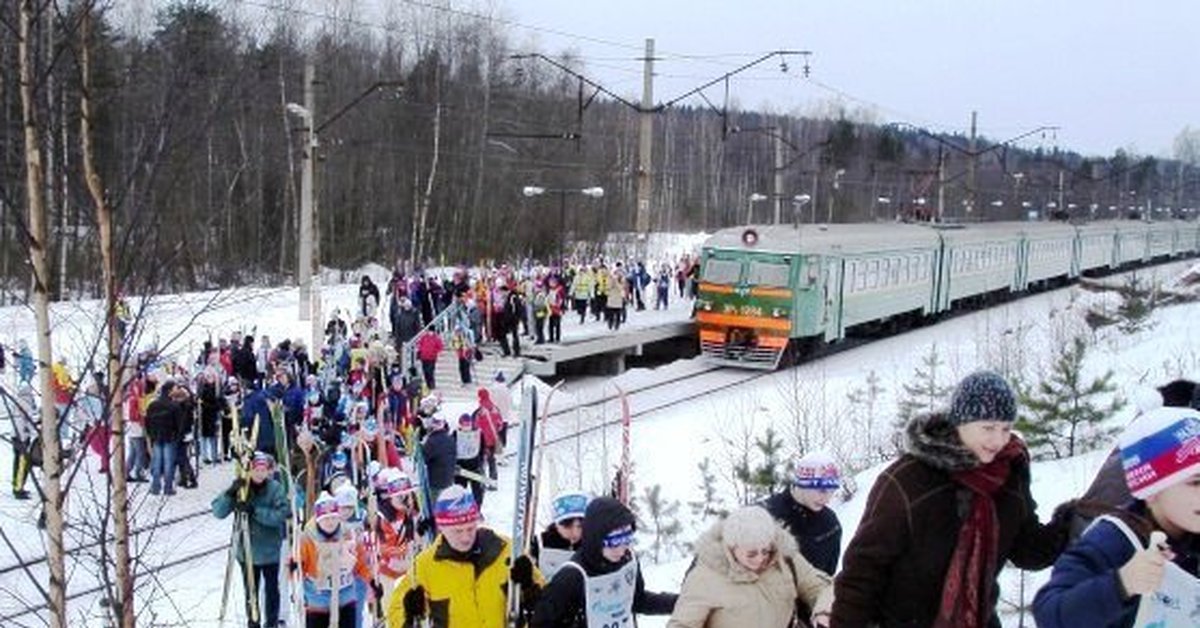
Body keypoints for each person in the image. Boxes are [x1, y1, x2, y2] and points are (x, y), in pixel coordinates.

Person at [832, 370, 1075, 628]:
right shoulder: (908, 480)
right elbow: (862, 573)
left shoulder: (1008, 475)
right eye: (988, 428)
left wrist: (1071, 523)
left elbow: (1028, 550)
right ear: (960, 424)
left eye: (1006, 428)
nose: (998, 440)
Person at [1032, 405, 1200, 628]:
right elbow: (1050, 613)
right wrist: (1121, 583)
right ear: (1152, 491)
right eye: (1195, 482)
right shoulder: (1113, 541)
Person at [386, 485, 544, 627]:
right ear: (442, 527)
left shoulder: (505, 549)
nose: (465, 537)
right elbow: (394, 612)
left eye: (470, 528)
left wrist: (530, 588)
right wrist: (409, 617)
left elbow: (545, 601)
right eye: (457, 531)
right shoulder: (425, 565)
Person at [667, 505, 833, 628]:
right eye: (751, 554)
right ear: (732, 547)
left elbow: (822, 587)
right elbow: (682, 624)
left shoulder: (786, 559)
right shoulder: (705, 577)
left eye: (765, 551)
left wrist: (824, 612)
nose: (760, 559)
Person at [531, 496, 677, 627]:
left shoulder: (629, 560)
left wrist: (681, 603)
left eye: (626, 540)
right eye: (614, 541)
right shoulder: (573, 576)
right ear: (596, 538)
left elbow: (637, 600)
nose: (621, 549)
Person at [211, 452, 290, 628]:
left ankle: (272, 623)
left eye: (263, 470)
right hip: (247, 552)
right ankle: (253, 622)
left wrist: (255, 511)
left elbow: (280, 515)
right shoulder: (241, 488)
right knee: (250, 592)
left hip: (269, 551)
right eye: (256, 469)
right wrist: (230, 494)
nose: (260, 474)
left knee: (271, 590)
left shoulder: (275, 488)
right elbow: (218, 511)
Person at [762, 451, 843, 576]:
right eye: (821, 490)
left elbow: (826, 577)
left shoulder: (830, 524)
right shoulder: (764, 516)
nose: (827, 499)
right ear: (802, 484)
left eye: (832, 490)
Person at [301, 491, 373, 628]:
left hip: (345, 596)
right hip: (318, 598)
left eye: (333, 518)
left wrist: (371, 581)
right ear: (318, 520)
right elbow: (298, 564)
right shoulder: (308, 539)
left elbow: (361, 563)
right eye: (325, 519)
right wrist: (293, 568)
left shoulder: (348, 535)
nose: (330, 522)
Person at [532, 492, 589, 581]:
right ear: (556, 524)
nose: (575, 533)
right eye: (567, 526)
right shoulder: (540, 543)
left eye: (580, 526)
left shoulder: (591, 543)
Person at [145, 380, 184, 496]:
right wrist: (177, 435)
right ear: (170, 391)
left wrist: (151, 434)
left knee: (157, 462)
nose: (177, 391)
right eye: (175, 389)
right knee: (168, 463)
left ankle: (155, 487)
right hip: (170, 437)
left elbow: (148, 422)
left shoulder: (153, 405)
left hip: (156, 436)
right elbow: (179, 424)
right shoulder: (174, 406)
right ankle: (168, 488)